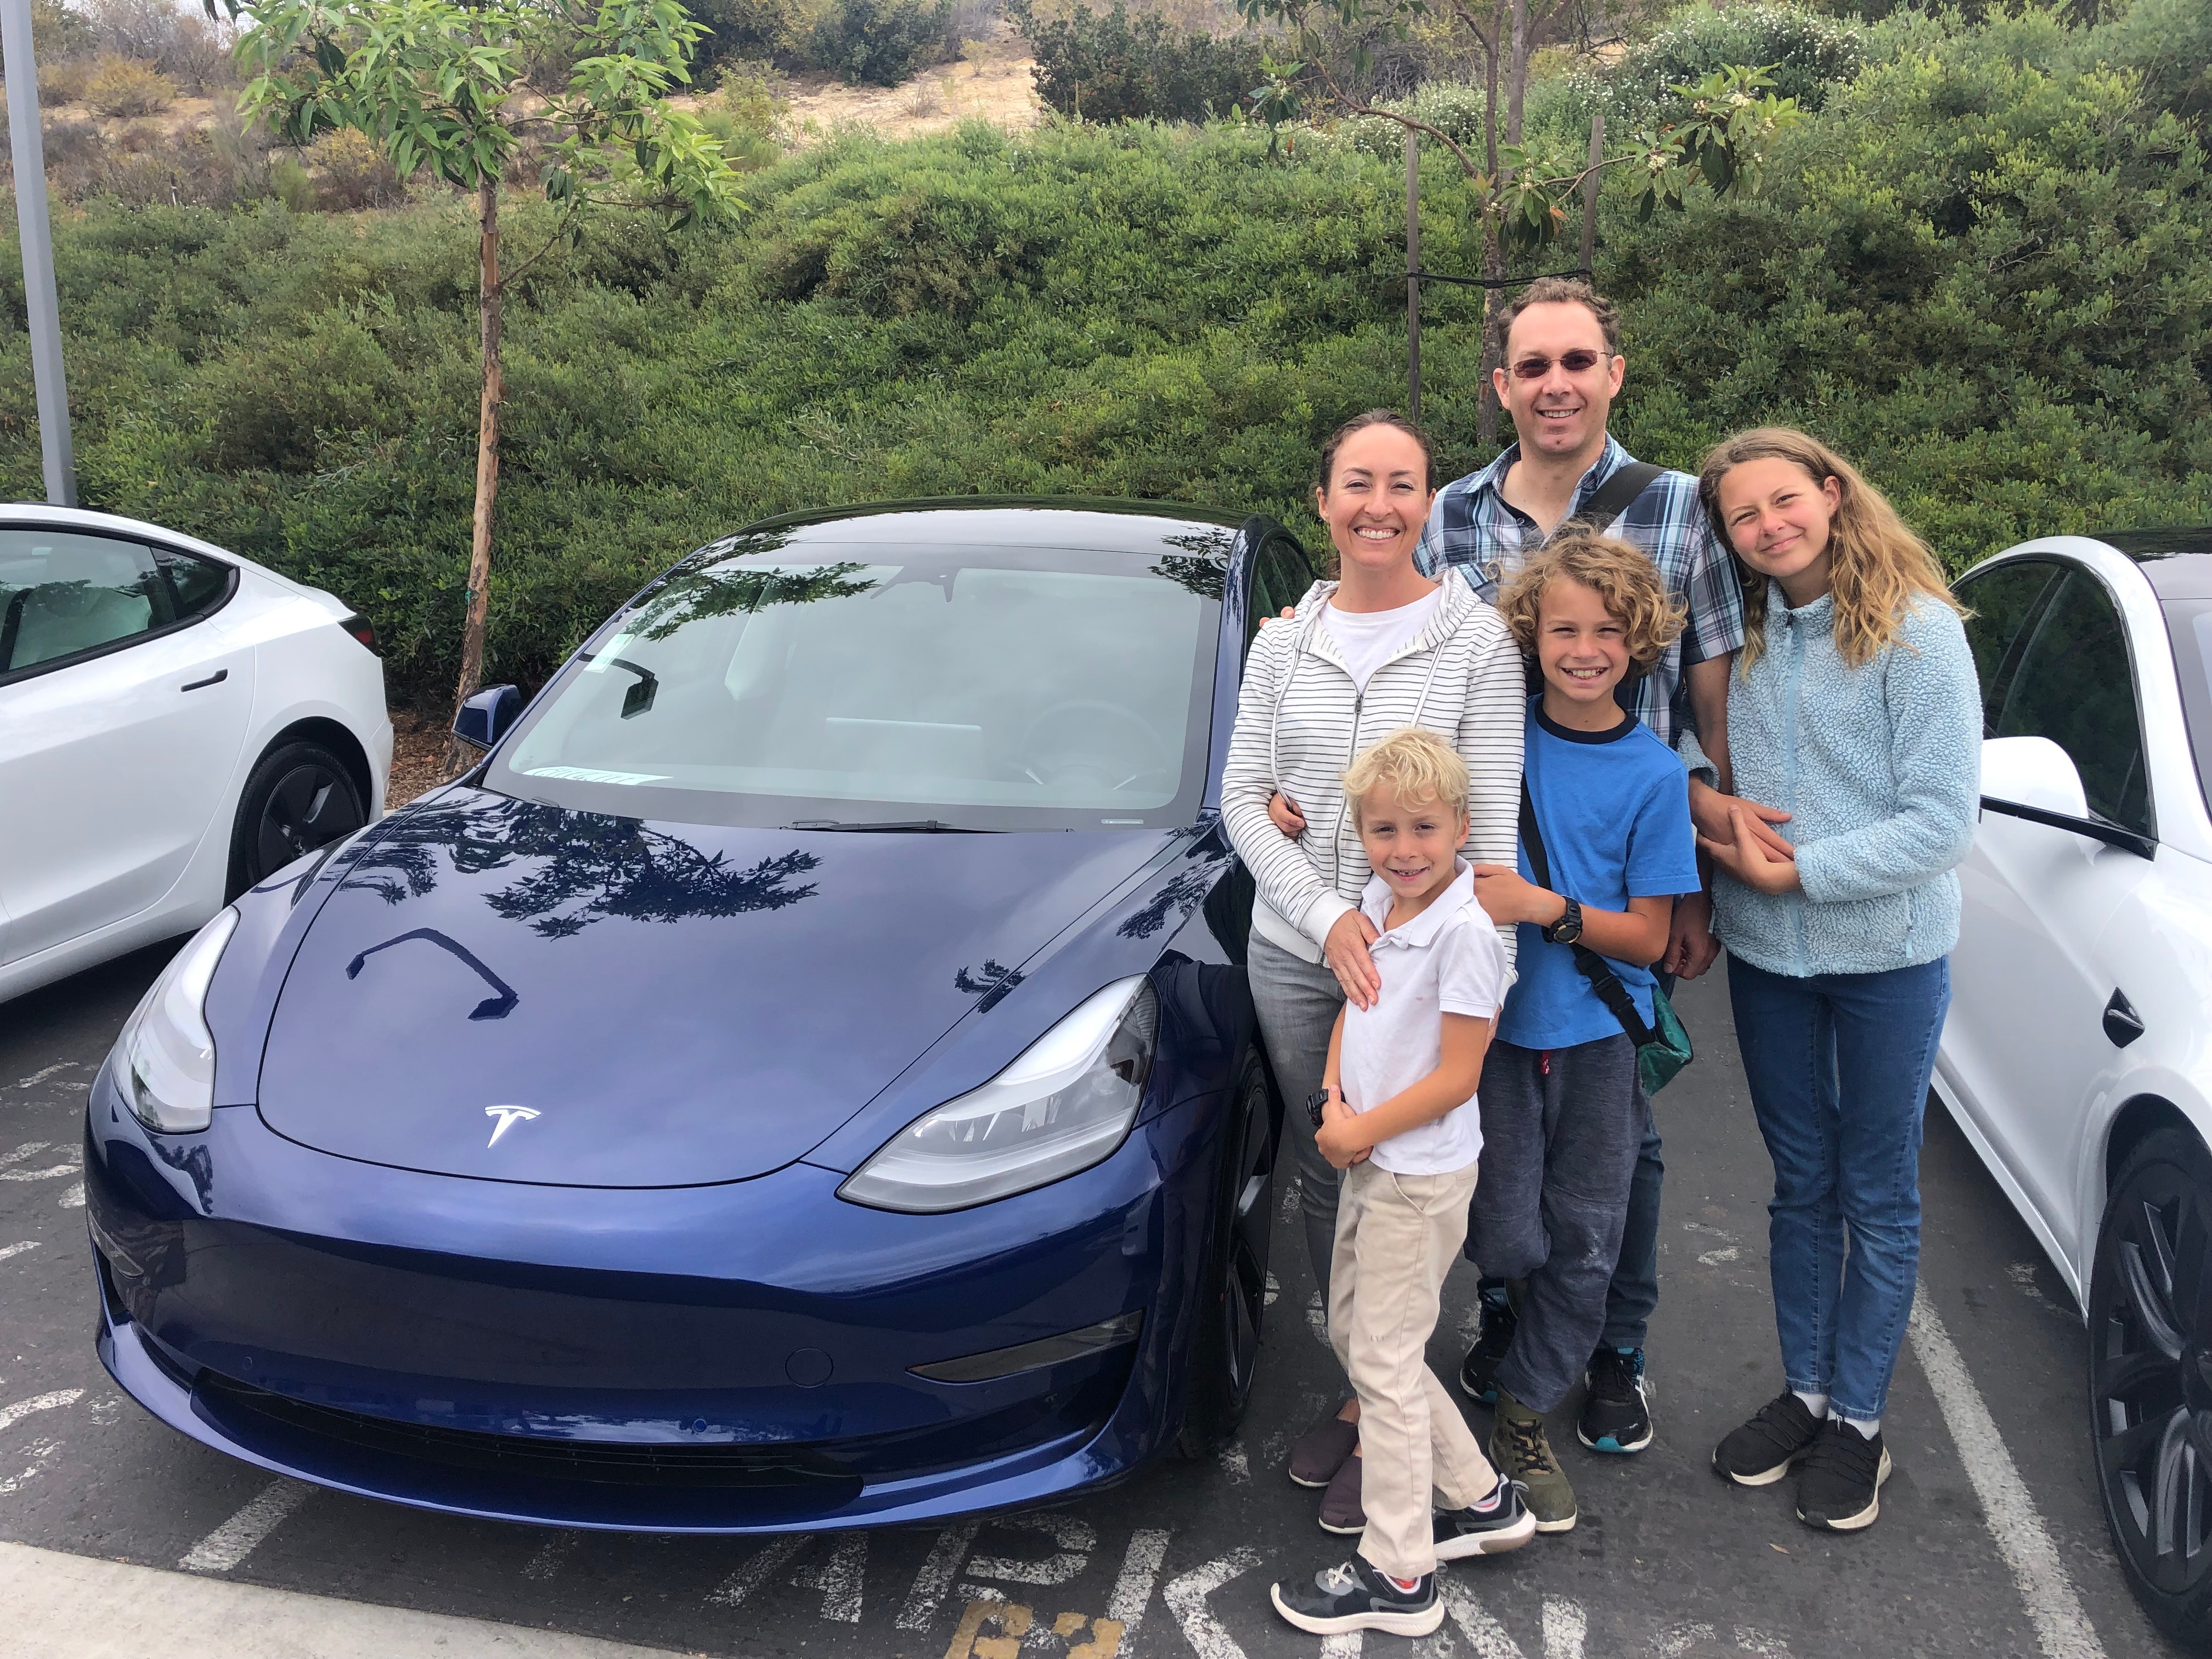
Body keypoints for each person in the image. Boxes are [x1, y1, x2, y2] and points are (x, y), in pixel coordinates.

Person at [1416, 276, 1746, 1459]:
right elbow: (1406, 656)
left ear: (1613, 373)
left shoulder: (1679, 507)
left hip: (1621, 869)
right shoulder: (1452, 516)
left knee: (1624, 1148)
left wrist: (1700, 877)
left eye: (1576, 362)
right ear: (1502, 386)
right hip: (1487, 868)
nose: (1555, 384)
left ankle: (1616, 1351)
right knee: (1497, 1118)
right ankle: (1514, 1312)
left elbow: (1709, 687)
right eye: (1533, 366)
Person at [1221, 409, 1524, 1536]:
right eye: (1358, 483)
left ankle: (1387, 1404)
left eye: (1402, 484)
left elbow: (1491, 827)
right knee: (1326, 1161)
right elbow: (1242, 799)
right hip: (1297, 951)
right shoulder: (1282, 643)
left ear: (1428, 503)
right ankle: (1365, 1392)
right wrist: (1326, 916)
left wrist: (1453, 961)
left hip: (1420, 965)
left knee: (1404, 1176)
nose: (1379, 506)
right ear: (1324, 500)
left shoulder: (1475, 642)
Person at [1687, 427, 1979, 1532]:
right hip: (1770, 960)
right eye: (1744, 517)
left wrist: (1801, 872)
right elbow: (1693, 751)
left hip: (1888, 962)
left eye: (1783, 501)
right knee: (1800, 1183)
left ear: (1831, 492)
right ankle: (1806, 1393)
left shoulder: (1918, 631)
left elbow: (1942, 824)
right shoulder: (1749, 639)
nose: (1769, 527)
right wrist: (1712, 817)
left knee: (1879, 1192)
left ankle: (1860, 1421)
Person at [1458, 533, 1701, 1533]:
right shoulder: (1490, 740)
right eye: (1564, 630)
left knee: (1588, 1235)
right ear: (1532, 634)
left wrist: (1543, 907)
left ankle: (1525, 1410)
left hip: (1598, 1036)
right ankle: (1519, 1328)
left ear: (1639, 641)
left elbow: (1647, 935)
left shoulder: (1654, 775)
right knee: (1504, 1231)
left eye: (1607, 631)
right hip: (1491, 1032)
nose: (1585, 649)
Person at [1269, 728, 1536, 1640]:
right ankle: (1481, 1499)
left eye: (1424, 828)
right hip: (1375, 1159)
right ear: (1362, 835)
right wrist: (1332, 1098)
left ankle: (1399, 1572)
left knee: (1381, 1361)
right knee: (1361, 1336)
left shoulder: (1465, 933)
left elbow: (1458, 1076)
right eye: (1383, 830)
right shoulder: (1381, 903)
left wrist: (1359, 1130)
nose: (1405, 849)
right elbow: (1359, 1007)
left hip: (1417, 1177)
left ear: (1461, 826)